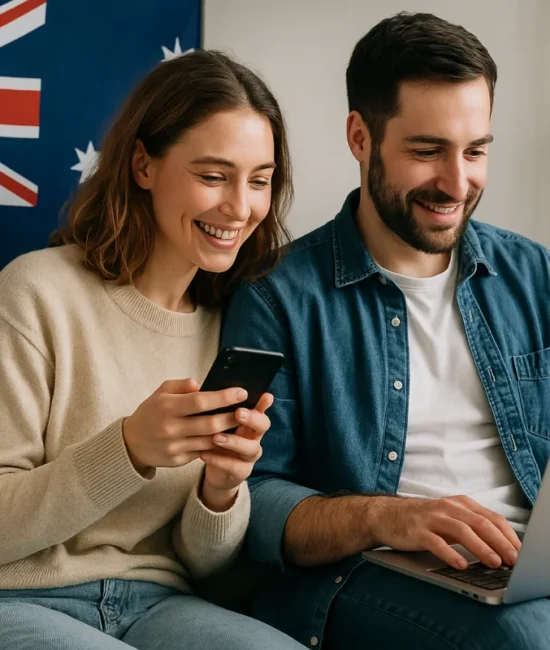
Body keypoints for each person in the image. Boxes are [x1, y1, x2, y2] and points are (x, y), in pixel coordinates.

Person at [221, 12, 550, 650]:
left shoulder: (533, 273)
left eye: (476, 151)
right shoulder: (278, 297)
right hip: (367, 574)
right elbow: (252, 508)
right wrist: (388, 517)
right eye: (427, 152)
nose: (458, 183)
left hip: (525, 568)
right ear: (360, 137)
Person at [0, 50, 306, 650]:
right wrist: (128, 448)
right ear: (143, 164)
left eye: (260, 180)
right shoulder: (36, 291)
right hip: (18, 596)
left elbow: (204, 566)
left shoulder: (234, 326)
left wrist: (220, 491)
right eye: (213, 175)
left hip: (159, 604)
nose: (240, 207)